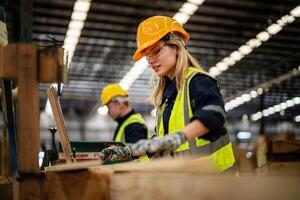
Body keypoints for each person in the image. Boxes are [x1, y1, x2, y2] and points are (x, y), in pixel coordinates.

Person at [100, 16, 236, 173]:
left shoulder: (198, 81)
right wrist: (132, 150)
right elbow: (161, 145)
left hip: (219, 185)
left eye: (156, 51)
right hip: (188, 187)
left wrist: (178, 137)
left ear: (177, 47)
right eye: (147, 56)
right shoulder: (165, 99)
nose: (151, 61)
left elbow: (214, 114)